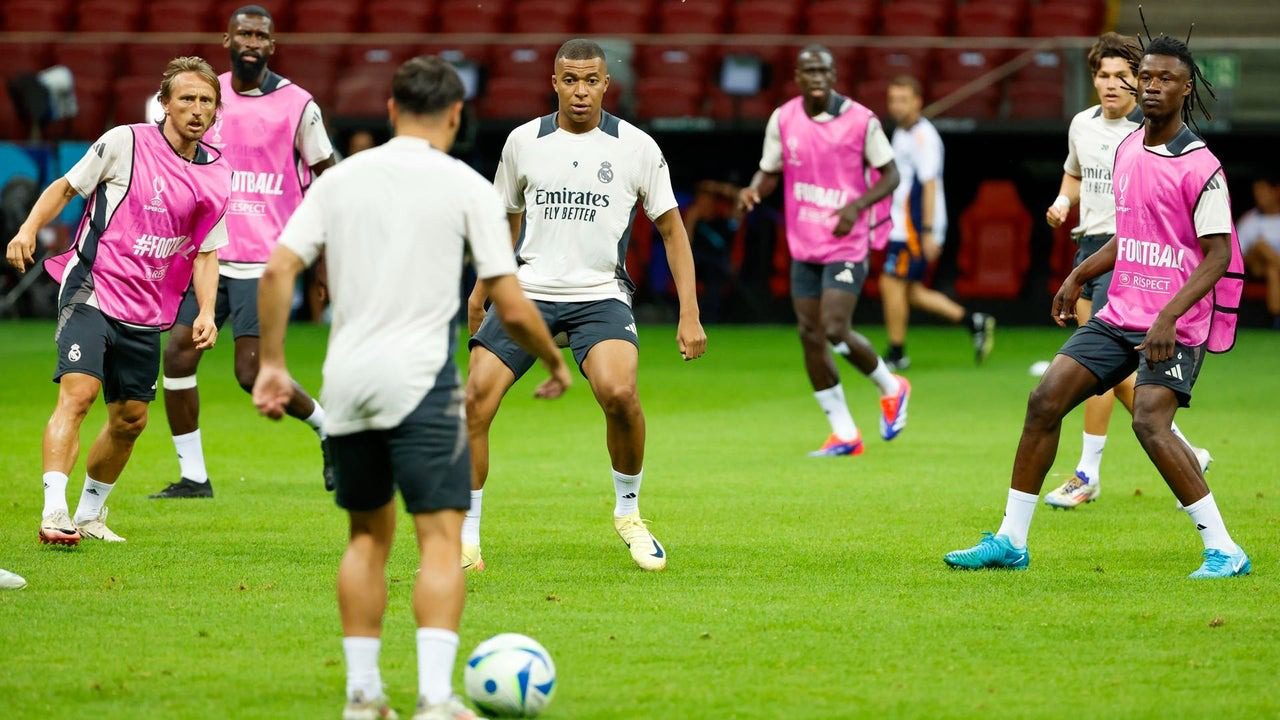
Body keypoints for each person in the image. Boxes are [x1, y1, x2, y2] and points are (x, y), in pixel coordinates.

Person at [253, 56, 570, 720]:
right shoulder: (465, 187)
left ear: (392, 110)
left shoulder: (342, 181)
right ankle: (433, 697)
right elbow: (509, 302)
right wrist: (553, 361)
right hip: (420, 381)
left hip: (347, 383)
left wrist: (275, 363)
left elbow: (279, 270)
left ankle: (363, 696)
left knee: (367, 537)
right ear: (456, 116)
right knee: (439, 540)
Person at [945, 32, 1251, 579]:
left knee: (1151, 424)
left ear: (1187, 88)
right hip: (1119, 312)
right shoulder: (1128, 147)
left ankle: (1224, 548)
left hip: (1173, 321)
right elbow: (1129, 231)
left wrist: (1169, 317)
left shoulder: (1202, 168)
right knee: (1044, 401)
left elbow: (1218, 256)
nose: (1152, 86)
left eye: (1165, 79)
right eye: (1147, 76)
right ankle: (1011, 540)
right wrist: (1079, 273)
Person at [464, 38, 707, 573]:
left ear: (605, 84)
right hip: (527, 291)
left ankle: (628, 513)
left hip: (600, 293)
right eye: (569, 80)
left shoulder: (637, 146)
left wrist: (689, 311)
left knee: (620, 392)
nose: (580, 90)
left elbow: (672, 229)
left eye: (590, 80)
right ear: (553, 82)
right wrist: (483, 289)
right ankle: (466, 539)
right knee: (475, 401)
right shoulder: (522, 142)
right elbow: (502, 219)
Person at [6, 57, 230, 546]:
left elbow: (208, 252)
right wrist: (27, 229)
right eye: (186, 98)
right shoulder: (125, 142)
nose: (196, 109)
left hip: (148, 309)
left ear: (216, 112)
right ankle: (54, 511)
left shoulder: (218, 173)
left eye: (206, 101)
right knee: (79, 393)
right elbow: (67, 186)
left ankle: (89, 514)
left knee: (130, 420)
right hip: (92, 288)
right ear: (165, 103)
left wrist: (208, 312)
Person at [150, 5, 337, 500]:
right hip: (207, 254)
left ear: (272, 45)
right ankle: (193, 477)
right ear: (226, 38)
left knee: (251, 374)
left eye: (261, 34)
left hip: (266, 260)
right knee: (178, 356)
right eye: (244, 33)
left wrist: (325, 256)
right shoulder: (205, 98)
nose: (252, 41)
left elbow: (329, 178)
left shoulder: (299, 104)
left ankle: (328, 429)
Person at [1041, 32, 1211, 509]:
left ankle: (1087, 473)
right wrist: (1061, 201)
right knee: (1105, 370)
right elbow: (1075, 175)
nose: (1112, 85)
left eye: (1122, 76)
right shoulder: (1082, 125)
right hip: (1089, 246)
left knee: (1095, 367)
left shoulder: (1149, 131)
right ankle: (1182, 448)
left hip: (1130, 256)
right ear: (1093, 79)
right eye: (1103, 75)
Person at [738, 45, 907, 457]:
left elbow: (891, 174)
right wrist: (754, 190)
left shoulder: (861, 121)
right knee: (810, 335)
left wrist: (856, 207)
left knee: (833, 327)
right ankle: (844, 432)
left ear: (834, 76)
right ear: (797, 76)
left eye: (823, 71)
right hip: (805, 243)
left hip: (847, 241)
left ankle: (891, 386)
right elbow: (771, 170)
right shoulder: (784, 118)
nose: (816, 77)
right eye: (809, 71)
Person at [880, 76, 994, 371]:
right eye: (893, 100)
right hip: (902, 223)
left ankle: (896, 352)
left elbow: (929, 185)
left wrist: (929, 231)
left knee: (890, 282)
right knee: (912, 292)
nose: (897, 106)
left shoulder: (923, 137)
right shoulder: (902, 133)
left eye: (904, 99)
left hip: (914, 226)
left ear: (918, 101)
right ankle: (974, 322)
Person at [1236, 175, 1280, 327]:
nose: (1259, 196)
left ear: (1276, 191)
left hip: (1272, 271)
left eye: (1263, 191)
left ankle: (1276, 319)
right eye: (1256, 192)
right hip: (1255, 270)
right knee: (1260, 247)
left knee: (1272, 269)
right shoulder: (1250, 220)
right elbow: (1237, 255)